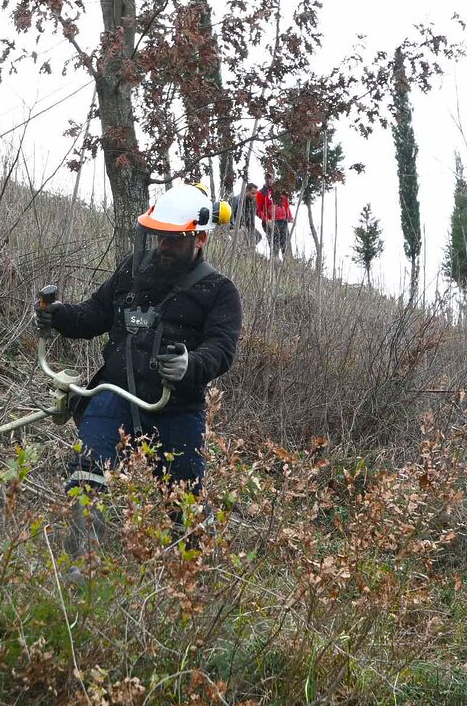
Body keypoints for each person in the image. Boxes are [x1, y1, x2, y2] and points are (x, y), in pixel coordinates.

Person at [35, 183, 243, 555]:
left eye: (172, 240)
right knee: (87, 470)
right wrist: (60, 315)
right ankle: (81, 567)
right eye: (157, 237)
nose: (162, 247)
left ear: (199, 240)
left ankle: (195, 575)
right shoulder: (132, 271)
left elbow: (221, 350)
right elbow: (94, 315)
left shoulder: (219, 291)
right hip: (114, 395)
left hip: (176, 409)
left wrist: (189, 365)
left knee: (183, 503)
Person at [255, 173, 293, 260]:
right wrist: (266, 220)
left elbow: (286, 204)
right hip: (270, 222)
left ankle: (288, 264)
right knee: (274, 245)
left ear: (274, 178)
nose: (268, 180)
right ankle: (275, 263)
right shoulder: (261, 193)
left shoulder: (280, 191)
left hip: (283, 221)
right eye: (267, 178)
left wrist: (289, 217)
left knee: (286, 244)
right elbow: (258, 210)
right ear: (264, 179)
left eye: (270, 178)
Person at [229, 182, 260, 248]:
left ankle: (247, 250)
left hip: (246, 226)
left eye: (256, 194)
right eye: (253, 193)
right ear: (246, 191)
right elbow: (231, 215)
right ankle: (240, 249)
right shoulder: (236, 199)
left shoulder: (252, 203)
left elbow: (251, 219)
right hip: (235, 226)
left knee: (258, 236)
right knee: (241, 234)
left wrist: (251, 230)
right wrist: (233, 227)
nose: (255, 196)